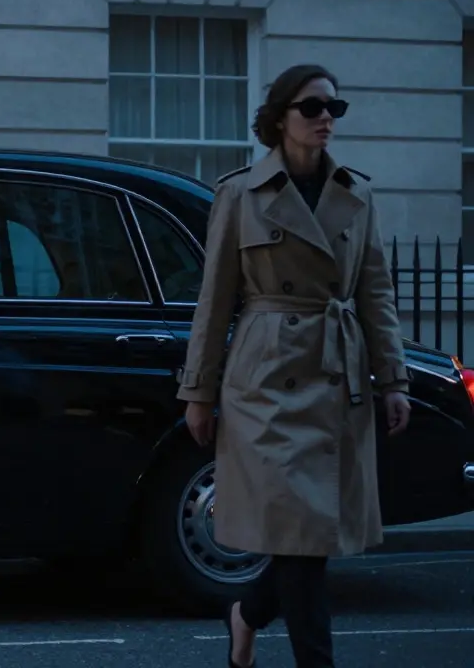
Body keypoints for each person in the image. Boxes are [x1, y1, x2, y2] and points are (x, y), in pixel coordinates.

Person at [176, 63, 411, 668]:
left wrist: (394, 380)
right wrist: (198, 391)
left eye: (335, 108)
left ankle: (246, 614)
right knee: (300, 543)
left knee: (306, 545)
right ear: (280, 118)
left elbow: (375, 294)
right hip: (267, 382)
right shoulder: (240, 193)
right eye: (312, 108)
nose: (326, 118)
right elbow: (215, 299)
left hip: (335, 376)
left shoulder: (356, 194)